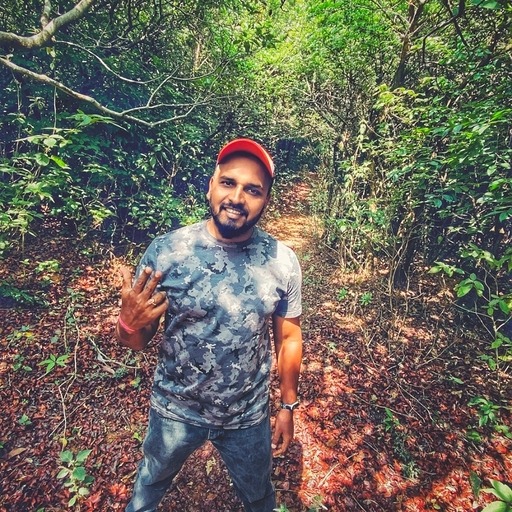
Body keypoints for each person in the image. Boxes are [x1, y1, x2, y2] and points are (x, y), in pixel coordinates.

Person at [117, 138, 303, 512]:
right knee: (149, 486)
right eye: (228, 183)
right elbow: (134, 341)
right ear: (211, 185)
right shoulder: (167, 251)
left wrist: (287, 405)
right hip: (174, 409)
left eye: (253, 190)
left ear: (266, 200)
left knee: (259, 496)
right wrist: (128, 322)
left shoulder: (282, 262)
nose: (237, 198)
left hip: (246, 415)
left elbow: (288, 338)